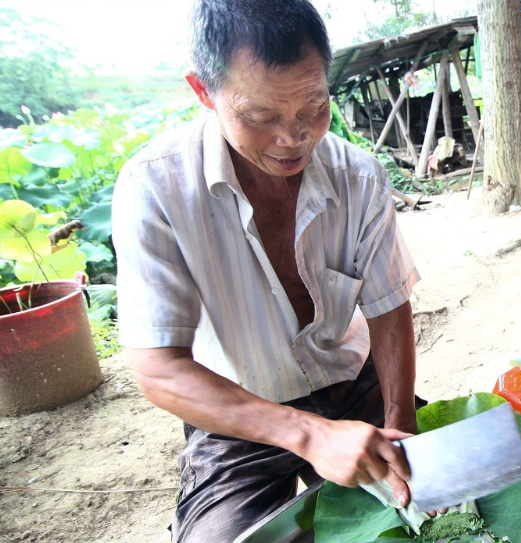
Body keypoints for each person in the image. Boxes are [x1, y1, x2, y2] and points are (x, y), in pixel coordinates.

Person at [111, 1, 422, 540]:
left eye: (314, 107)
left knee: (451, 505)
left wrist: (399, 425)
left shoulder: (361, 177)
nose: (293, 138)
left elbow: (388, 307)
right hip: (238, 414)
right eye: (260, 117)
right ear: (203, 91)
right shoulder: (155, 189)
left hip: (354, 386)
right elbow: (159, 369)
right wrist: (308, 435)